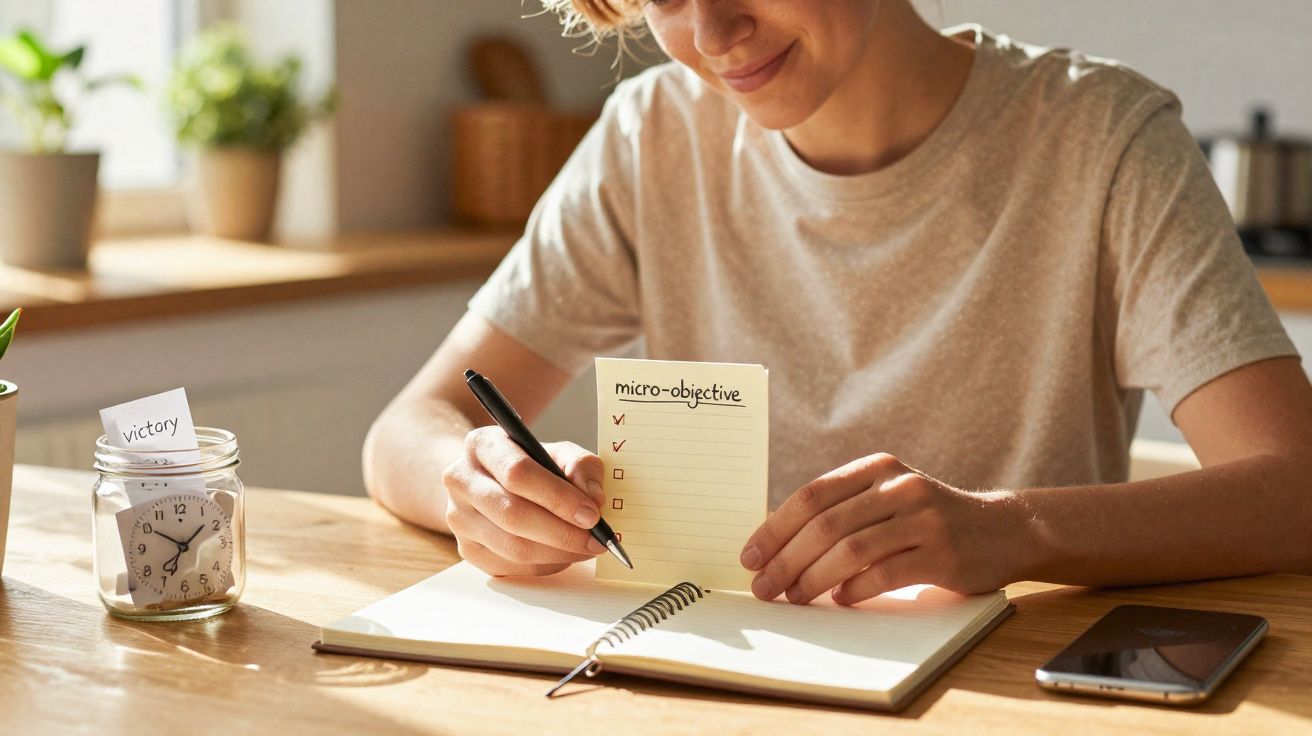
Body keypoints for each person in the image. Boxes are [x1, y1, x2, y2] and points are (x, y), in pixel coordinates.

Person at [363, 0, 1312, 606]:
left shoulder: (1105, 142)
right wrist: (476, 481)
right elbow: (409, 427)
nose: (714, 32)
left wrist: (1016, 528)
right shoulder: (649, 138)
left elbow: (1296, 488)